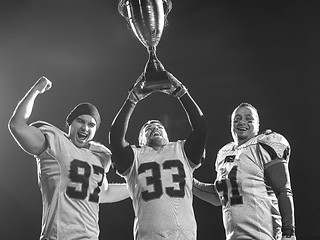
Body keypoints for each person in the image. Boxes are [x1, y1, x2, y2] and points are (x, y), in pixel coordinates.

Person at [8, 76, 129, 240]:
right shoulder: (54, 141)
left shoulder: (99, 155)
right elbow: (17, 125)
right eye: (80, 121)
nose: (85, 127)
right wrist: (35, 90)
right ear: (70, 124)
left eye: (91, 124)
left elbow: (104, 193)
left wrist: (137, 186)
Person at [109, 72, 208, 240]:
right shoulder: (134, 156)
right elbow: (115, 136)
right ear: (140, 140)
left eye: (159, 126)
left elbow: (201, 129)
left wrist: (182, 92)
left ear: (168, 135)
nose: (154, 127)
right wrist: (132, 99)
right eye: (147, 128)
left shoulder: (181, 150)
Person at [192, 102, 296, 240]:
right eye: (237, 119)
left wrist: (289, 232)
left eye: (249, 119)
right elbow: (221, 197)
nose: (242, 122)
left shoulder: (264, 144)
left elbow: (283, 190)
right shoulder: (224, 153)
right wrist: (190, 181)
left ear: (258, 125)